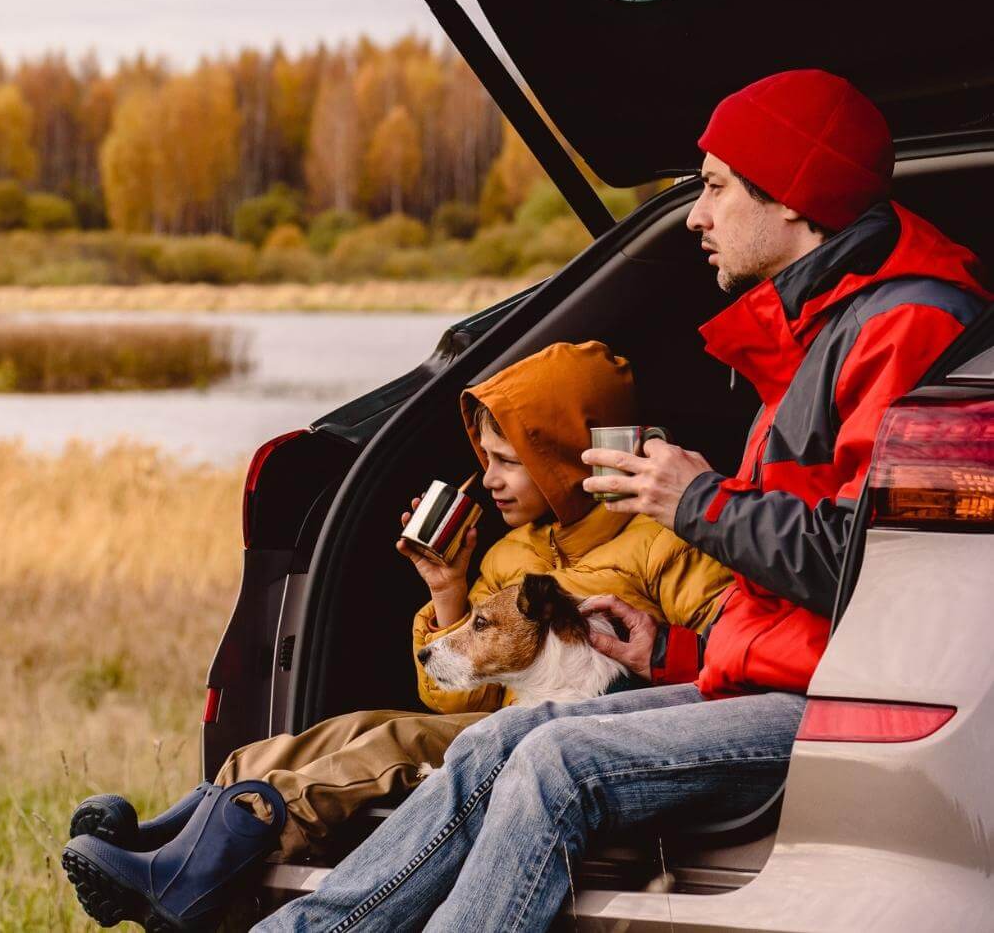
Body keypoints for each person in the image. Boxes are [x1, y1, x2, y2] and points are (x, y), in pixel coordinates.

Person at [252, 69, 990, 932]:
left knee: (558, 759)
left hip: (842, 702)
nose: (694, 215)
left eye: (715, 186)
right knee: (495, 740)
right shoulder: (818, 330)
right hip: (776, 684)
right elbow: (796, 601)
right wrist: (672, 652)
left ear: (792, 196)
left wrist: (696, 503)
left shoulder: (905, 328)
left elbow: (877, 580)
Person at [60, 341, 733, 932]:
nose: (491, 478)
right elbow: (458, 697)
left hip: (581, 733)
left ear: (563, 458)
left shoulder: (660, 540)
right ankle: (179, 838)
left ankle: (194, 869)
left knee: (392, 743)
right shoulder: (509, 555)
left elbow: (726, 654)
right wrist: (448, 591)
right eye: (485, 459)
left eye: (510, 462)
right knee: (333, 734)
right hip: (500, 728)